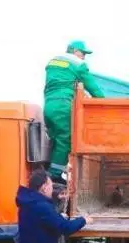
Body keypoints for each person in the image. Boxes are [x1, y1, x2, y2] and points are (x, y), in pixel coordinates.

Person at [43, 40, 105, 184]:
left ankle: (49, 170)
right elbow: (93, 88)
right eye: (83, 53)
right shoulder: (78, 64)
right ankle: (54, 176)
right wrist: (103, 102)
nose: (84, 56)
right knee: (66, 139)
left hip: (48, 106)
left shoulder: (52, 62)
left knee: (55, 140)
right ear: (75, 51)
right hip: (63, 105)